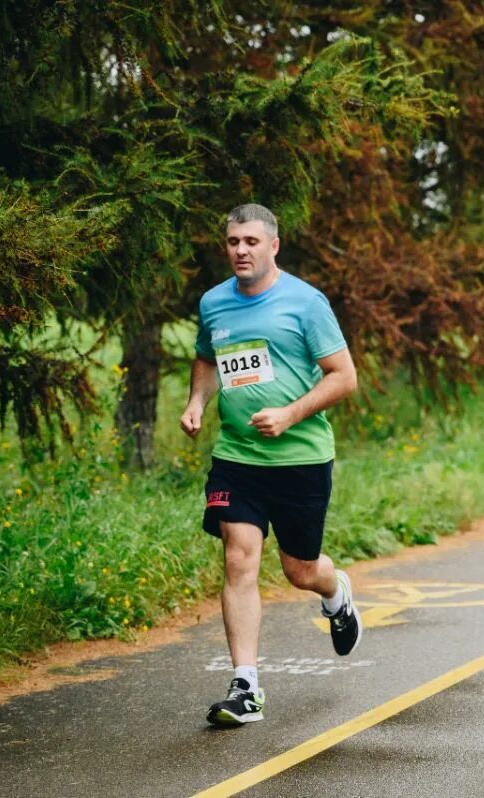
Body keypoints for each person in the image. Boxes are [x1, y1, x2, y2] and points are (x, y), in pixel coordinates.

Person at [180, 204, 362, 726]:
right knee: (240, 559)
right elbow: (206, 358)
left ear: (273, 246)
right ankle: (246, 687)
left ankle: (336, 593)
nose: (241, 250)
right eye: (233, 241)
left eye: (251, 242)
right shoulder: (214, 303)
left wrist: (289, 413)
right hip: (237, 456)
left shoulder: (305, 303)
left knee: (300, 570)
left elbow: (343, 377)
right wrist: (197, 402)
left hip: (301, 457)